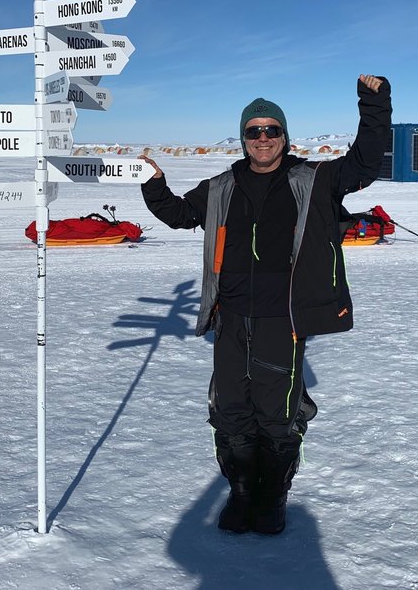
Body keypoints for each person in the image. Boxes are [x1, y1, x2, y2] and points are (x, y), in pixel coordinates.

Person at [138, 74, 392, 535]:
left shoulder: (314, 179)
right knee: (231, 410)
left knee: (278, 414)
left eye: (271, 130)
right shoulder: (220, 186)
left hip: (284, 318)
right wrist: (154, 184)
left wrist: (373, 103)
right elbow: (179, 215)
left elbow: (366, 161)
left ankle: (272, 497)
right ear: (243, 139)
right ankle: (241, 493)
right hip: (231, 316)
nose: (262, 139)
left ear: (284, 137)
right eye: (253, 131)